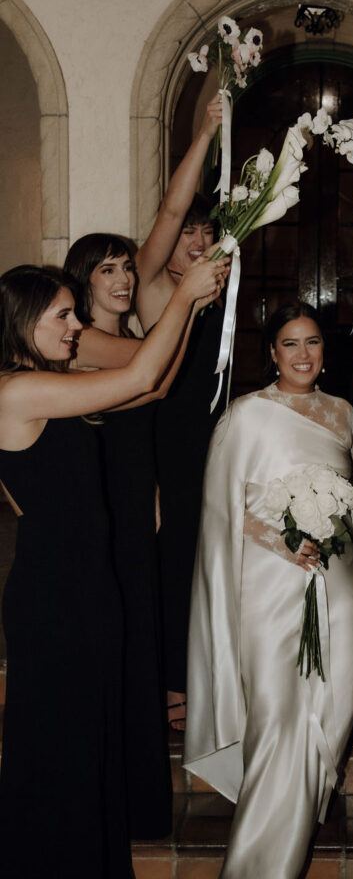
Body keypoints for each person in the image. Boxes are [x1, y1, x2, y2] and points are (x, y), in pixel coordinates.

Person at [0, 257, 227, 879]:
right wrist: (184, 295)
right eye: (63, 316)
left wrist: (192, 306)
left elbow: (150, 386)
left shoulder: (41, 381)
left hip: (85, 588)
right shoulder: (16, 390)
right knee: (60, 752)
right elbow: (141, 374)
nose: (76, 327)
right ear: (23, 322)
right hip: (56, 596)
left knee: (85, 749)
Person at [184, 303, 353, 879]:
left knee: (334, 710)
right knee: (279, 716)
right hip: (267, 582)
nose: (304, 354)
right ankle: (259, 864)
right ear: (271, 353)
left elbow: (351, 502)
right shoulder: (246, 414)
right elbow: (218, 509)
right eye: (290, 344)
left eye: (312, 342)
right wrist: (281, 540)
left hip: (337, 583)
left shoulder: (343, 413)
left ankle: (292, 827)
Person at [64, 232, 206, 837]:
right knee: (119, 644)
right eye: (108, 271)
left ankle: (134, 789)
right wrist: (190, 308)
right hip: (105, 515)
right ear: (83, 281)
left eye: (128, 267)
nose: (123, 279)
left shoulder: (122, 338)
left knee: (137, 638)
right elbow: (155, 384)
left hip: (131, 503)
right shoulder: (80, 347)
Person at [134, 93, 227, 730]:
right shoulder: (152, 282)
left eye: (205, 230)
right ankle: (170, 687)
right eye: (187, 232)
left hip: (211, 440)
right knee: (173, 562)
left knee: (207, 560)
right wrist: (207, 130)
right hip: (166, 442)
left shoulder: (216, 284)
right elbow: (171, 205)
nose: (195, 240)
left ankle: (201, 675)